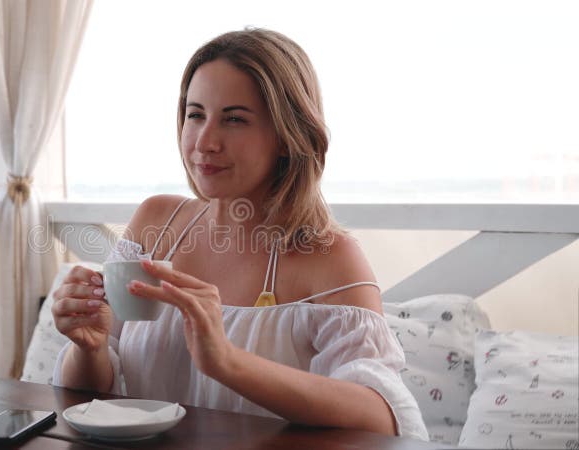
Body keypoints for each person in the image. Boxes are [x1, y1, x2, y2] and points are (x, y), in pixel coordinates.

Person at [51, 28, 428, 440]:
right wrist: (88, 347)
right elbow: (90, 398)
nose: (205, 142)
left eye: (234, 119)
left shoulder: (330, 258)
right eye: (195, 115)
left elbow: (383, 417)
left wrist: (227, 361)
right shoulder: (155, 223)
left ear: (287, 136)